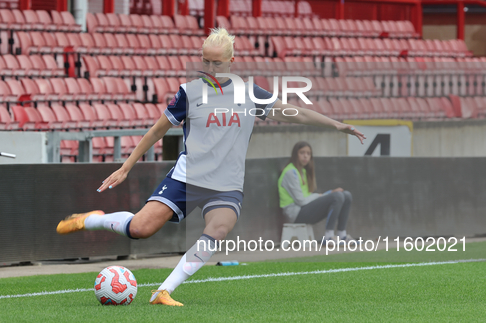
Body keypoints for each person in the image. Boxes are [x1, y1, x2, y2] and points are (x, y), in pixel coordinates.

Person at [56, 27, 366, 306]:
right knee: (140, 229)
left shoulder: (250, 93)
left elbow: (295, 112)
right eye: (206, 62)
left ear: (232, 61)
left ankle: (163, 291)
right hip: (187, 179)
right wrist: (126, 167)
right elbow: (156, 130)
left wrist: (336, 124)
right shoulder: (190, 93)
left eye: (217, 63)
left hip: (227, 184)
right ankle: (94, 219)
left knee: (218, 228)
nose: (211, 69)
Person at [278, 141, 357, 245]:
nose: (305, 156)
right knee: (337, 196)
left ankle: (342, 235)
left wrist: (326, 194)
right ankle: (328, 236)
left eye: (308, 153)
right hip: (295, 213)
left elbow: (306, 197)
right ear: (295, 154)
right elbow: (301, 201)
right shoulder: (290, 172)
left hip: (304, 209)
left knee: (346, 195)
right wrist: (323, 195)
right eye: (302, 153)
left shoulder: (303, 172)